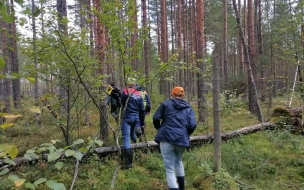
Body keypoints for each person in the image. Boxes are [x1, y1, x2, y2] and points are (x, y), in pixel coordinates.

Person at [153, 87, 197, 190]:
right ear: (183, 95)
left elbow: (156, 118)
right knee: (178, 162)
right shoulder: (188, 108)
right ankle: (181, 188)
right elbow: (193, 125)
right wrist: (185, 134)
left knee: (169, 169)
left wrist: (159, 128)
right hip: (181, 139)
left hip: (166, 137)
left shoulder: (166, 104)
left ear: (172, 95)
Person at [120, 79, 145, 170]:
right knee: (132, 133)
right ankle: (135, 146)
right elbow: (142, 109)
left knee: (126, 139)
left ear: (127, 84)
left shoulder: (125, 92)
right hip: (136, 118)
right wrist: (142, 121)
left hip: (127, 117)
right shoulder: (138, 94)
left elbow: (122, 103)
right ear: (134, 84)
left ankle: (128, 164)